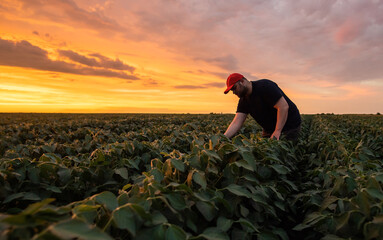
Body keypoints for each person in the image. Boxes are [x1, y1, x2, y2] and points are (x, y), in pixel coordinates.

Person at [223, 73, 301, 140]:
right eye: (231, 90)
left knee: (283, 152)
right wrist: (223, 138)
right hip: (269, 129)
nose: (233, 92)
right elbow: (236, 122)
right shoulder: (244, 100)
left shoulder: (265, 86)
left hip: (289, 125)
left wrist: (277, 131)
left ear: (242, 81)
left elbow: (283, 107)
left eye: (234, 88)